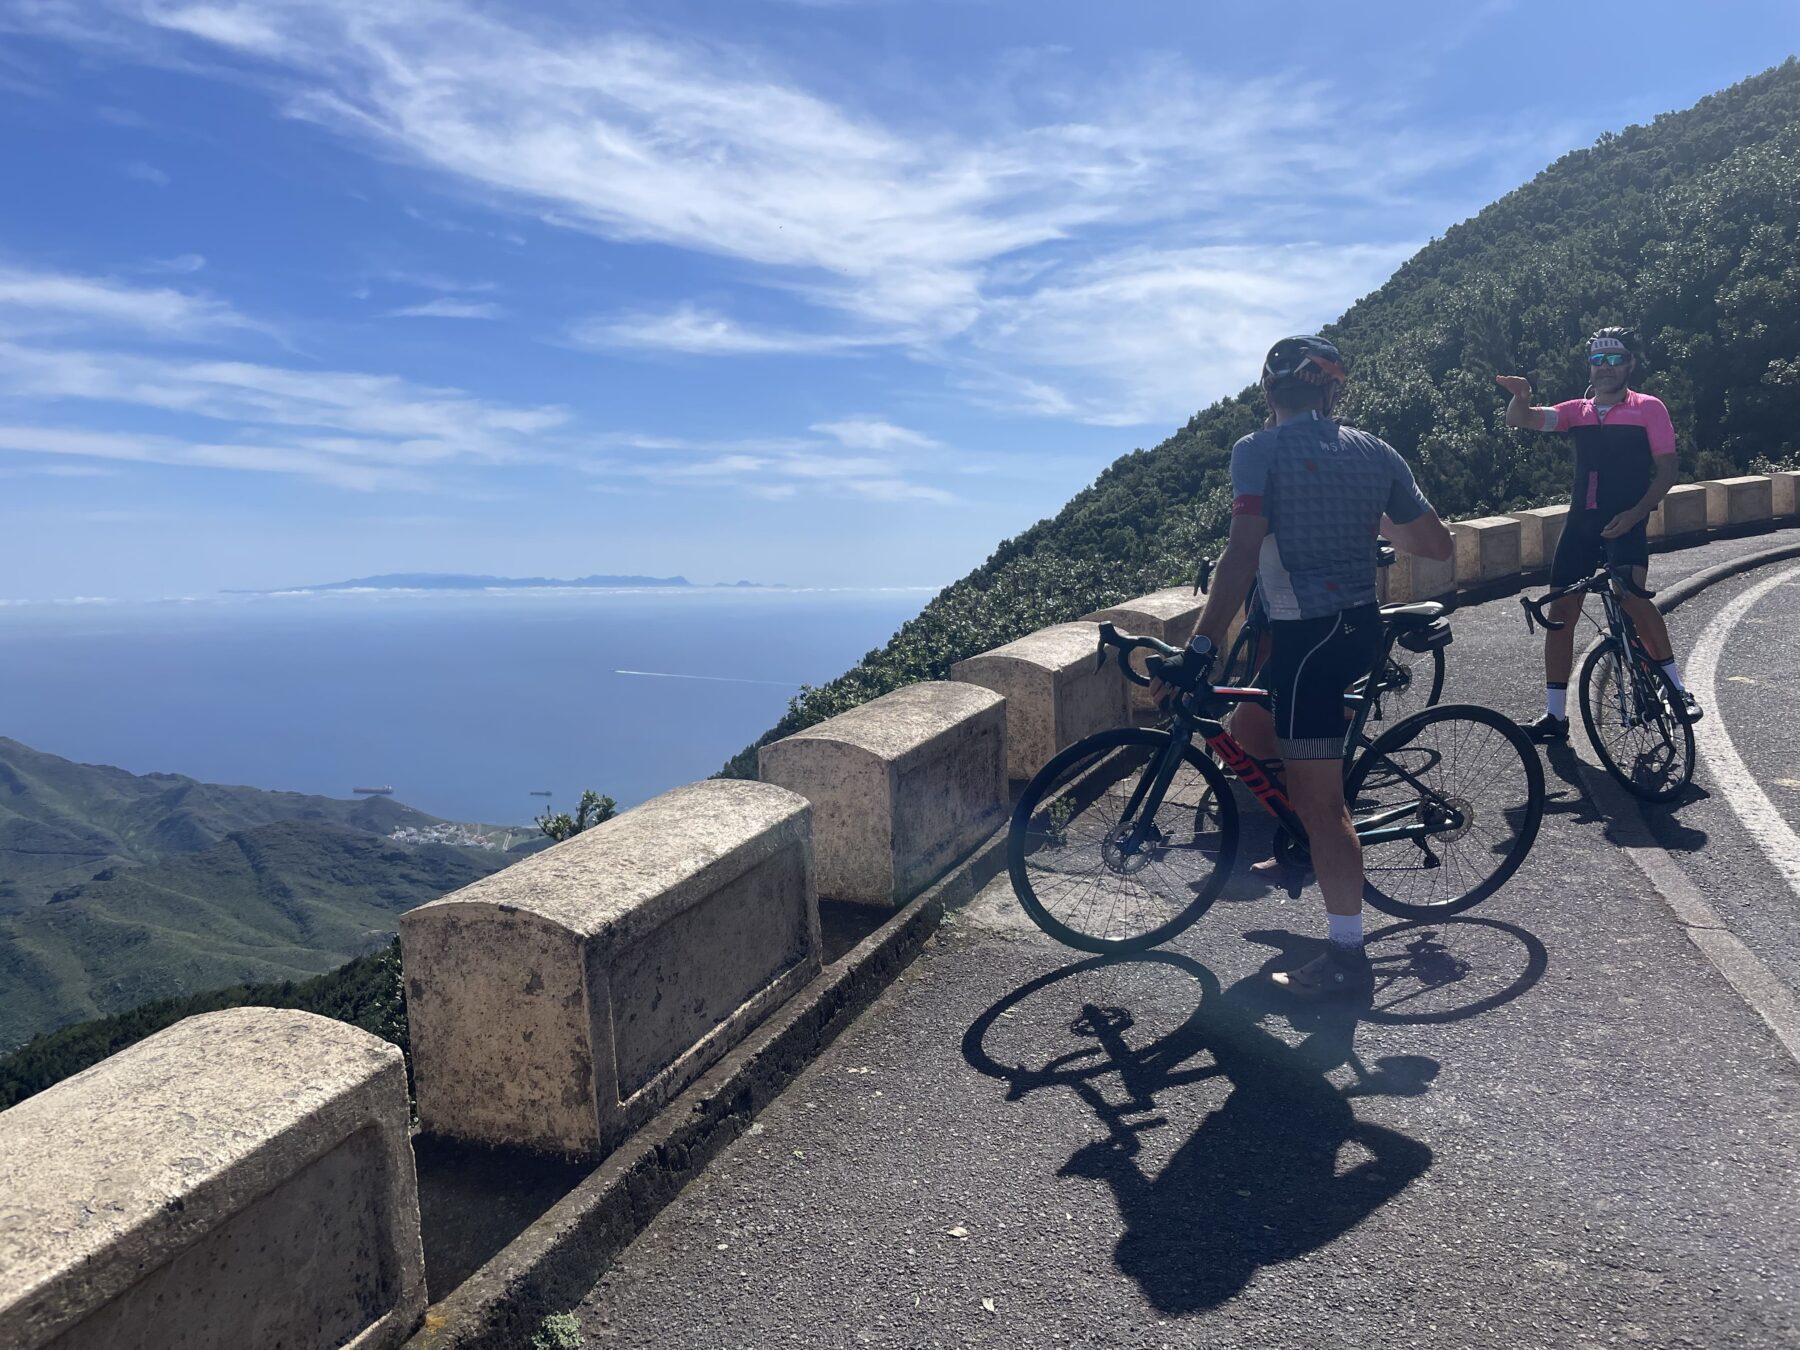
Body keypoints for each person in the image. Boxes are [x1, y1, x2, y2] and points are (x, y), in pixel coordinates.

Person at [1152, 336, 1452, 999]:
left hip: (1310, 641)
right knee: (1250, 739)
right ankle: (1298, 848)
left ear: (1267, 393)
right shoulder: (1374, 451)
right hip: (1345, 631)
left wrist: (1199, 647)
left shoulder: (1256, 452)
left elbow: (1240, 554)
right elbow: (1437, 545)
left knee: (1324, 808)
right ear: (1330, 392)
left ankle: (1348, 961)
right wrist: (1365, 519)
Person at [1496, 328, 1701, 740]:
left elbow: (1667, 469)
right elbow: (1523, 419)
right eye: (1597, 361)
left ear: (1630, 364)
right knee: (1560, 615)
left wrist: (1637, 514)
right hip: (1582, 522)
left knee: (1634, 601)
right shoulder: (1577, 411)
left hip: (1626, 519)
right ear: (1590, 365)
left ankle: (1677, 690)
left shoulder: (1648, 408)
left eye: (1614, 360)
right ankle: (1555, 716)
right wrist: (1521, 395)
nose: (1605, 369)